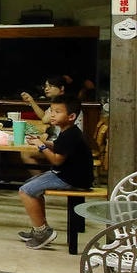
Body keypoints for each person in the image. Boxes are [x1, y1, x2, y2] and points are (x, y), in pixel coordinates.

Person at [15, 95, 93, 250]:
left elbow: (57, 160)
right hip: (68, 174)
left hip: (71, 178)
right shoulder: (68, 131)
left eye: (57, 112)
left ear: (71, 117)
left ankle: (42, 232)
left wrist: (42, 147)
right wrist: (43, 142)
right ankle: (40, 228)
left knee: (25, 191)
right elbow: (58, 146)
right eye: (51, 111)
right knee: (29, 186)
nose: (52, 115)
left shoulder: (71, 134)